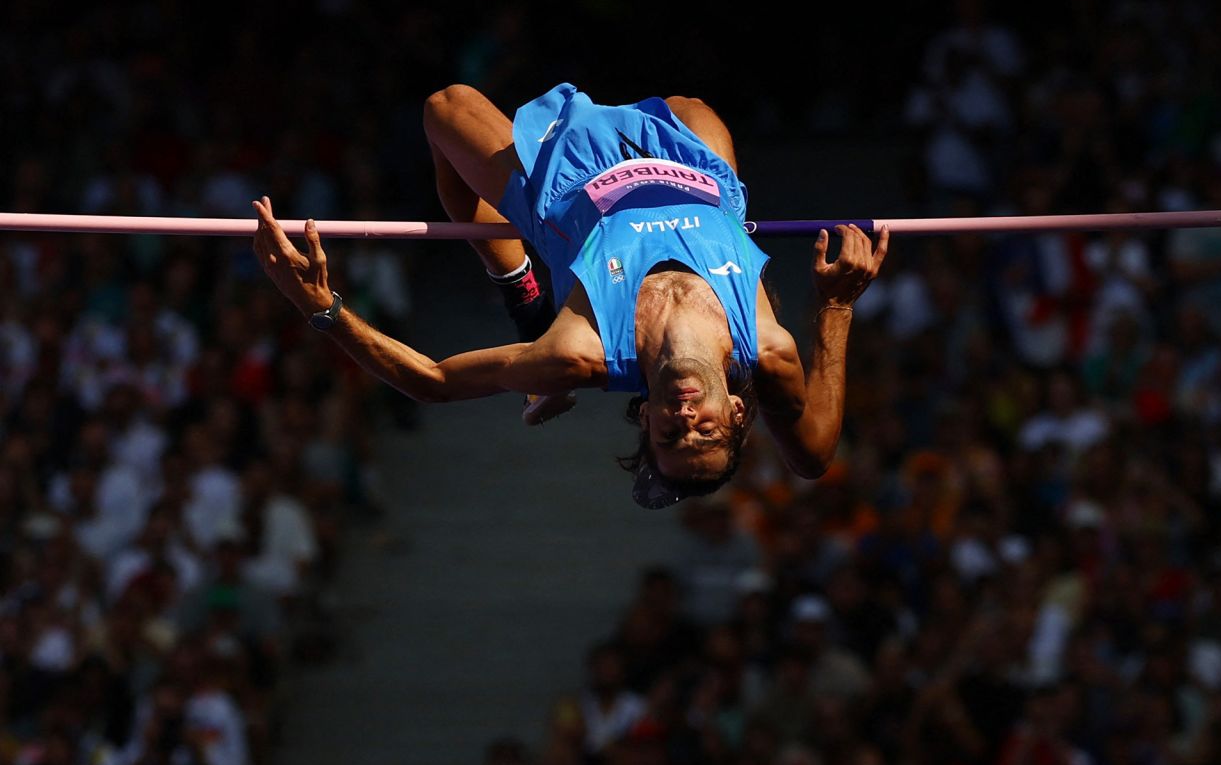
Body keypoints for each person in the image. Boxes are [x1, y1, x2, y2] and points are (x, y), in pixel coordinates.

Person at [251, 81, 889, 508]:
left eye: (670, 439)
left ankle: (517, 283)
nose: (686, 423)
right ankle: (532, 299)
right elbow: (813, 454)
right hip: (693, 170)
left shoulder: (585, 354)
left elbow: (434, 383)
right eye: (706, 435)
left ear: (647, 419)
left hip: (572, 178)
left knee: (445, 110)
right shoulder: (767, 344)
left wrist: (322, 308)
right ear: (738, 415)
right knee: (692, 104)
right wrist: (836, 308)